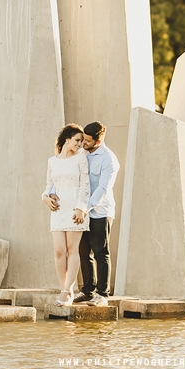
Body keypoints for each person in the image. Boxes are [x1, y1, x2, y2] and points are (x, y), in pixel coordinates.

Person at [72, 120, 120, 307]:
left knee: (101, 252)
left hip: (100, 212)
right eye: (83, 139)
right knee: (84, 252)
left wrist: (86, 207)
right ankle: (87, 291)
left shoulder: (109, 159)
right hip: (82, 212)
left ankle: (102, 294)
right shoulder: (82, 153)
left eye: (87, 141)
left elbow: (103, 189)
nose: (83, 143)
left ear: (98, 141)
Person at [42, 123, 90, 306]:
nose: (80, 144)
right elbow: (48, 187)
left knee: (72, 249)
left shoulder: (80, 158)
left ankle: (67, 291)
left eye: (82, 141)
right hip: (58, 209)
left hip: (75, 208)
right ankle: (65, 288)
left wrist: (81, 208)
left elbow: (85, 185)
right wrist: (44, 197)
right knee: (59, 250)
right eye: (77, 140)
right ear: (67, 139)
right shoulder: (52, 161)